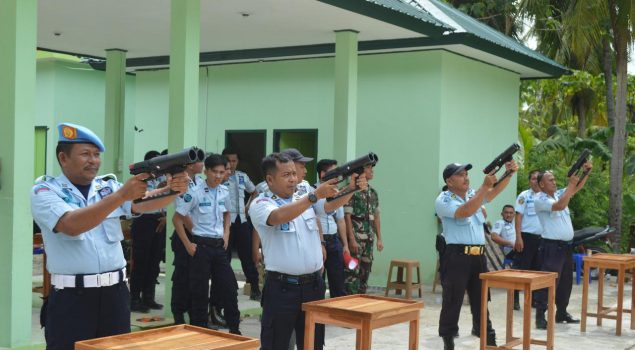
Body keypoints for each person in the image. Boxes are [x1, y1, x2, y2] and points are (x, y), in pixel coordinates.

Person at [30, 123, 189, 350]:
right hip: (72, 298)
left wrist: (173, 190)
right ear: (63, 158)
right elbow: (71, 224)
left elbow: (143, 205)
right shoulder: (45, 191)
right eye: (85, 154)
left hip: (115, 295)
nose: (93, 160)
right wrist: (121, 194)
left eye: (96, 155)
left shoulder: (107, 186)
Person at [249, 153, 366, 350]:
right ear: (270, 179)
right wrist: (313, 196)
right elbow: (278, 217)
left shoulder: (303, 197)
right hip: (282, 289)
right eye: (286, 174)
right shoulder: (260, 203)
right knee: (276, 344)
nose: (293, 179)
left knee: (313, 344)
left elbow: (328, 206)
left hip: (313, 287)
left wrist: (352, 188)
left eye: (294, 173)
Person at [435, 161, 518, 350]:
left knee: (481, 299)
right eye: (460, 174)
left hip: (478, 256)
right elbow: (465, 211)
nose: (466, 177)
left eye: (466, 173)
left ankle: (488, 337)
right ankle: (448, 340)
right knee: (452, 300)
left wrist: (509, 173)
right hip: (457, 256)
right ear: (449, 180)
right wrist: (484, 187)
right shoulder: (443, 200)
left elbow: (493, 192)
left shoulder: (473, 193)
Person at [173, 154, 241, 334]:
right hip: (200, 248)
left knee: (229, 288)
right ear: (206, 172)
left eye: (221, 172)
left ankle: (235, 330)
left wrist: (226, 233)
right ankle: (199, 331)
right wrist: (188, 245)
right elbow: (177, 219)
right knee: (199, 292)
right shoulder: (193, 193)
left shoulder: (224, 191)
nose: (218, 176)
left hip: (219, 248)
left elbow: (227, 213)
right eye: (215, 172)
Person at [533, 164, 592, 329]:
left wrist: (585, 172)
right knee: (549, 281)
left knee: (566, 282)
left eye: (554, 179)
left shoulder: (558, 194)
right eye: (550, 180)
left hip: (566, 247)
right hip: (552, 247)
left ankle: (561, 312)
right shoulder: (539, 199)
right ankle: (540, 316)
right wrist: (571, 185)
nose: (554, 182)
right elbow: (560, 206)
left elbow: (576, 188)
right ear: (542, 184)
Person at [129, 150, 168, 313]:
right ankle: (134, 299)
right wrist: (159, 189)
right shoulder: (139, 180)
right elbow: (138, 202)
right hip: (143, 221)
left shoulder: (163, 178)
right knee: (141, 262)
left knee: (154, 262)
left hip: (159, 220)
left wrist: (165, 216)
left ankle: (148, 297)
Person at [221, 148, 260, 300]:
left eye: (234, 161)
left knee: (247, 256)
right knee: (225, 257)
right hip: (226, 223)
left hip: (242, 221)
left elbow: (254, 191)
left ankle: (255, 288)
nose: (232, 163)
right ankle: (226, 288)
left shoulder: (242, 176)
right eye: (229, 160)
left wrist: (248, 206)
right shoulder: (220, 178)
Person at [170, 156, 204, 324]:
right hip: (185, 234)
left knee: (195, 277)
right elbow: (182, 213)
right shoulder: (181, 181)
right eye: (200, 161)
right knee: (182, 277)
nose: (203, 164)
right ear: (190, 165)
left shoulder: (201, 182)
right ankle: (178, 315)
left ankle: (193, 315)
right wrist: (197, 232)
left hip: (199, 234)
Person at [344, 162, 381, 295]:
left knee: (366, 270)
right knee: (352, 272)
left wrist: (379, 239)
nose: (372, 171)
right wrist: (351, 239)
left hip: (369, 238)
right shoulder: (351, 192)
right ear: (361, 171)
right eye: (369, 168)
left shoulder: (373, 193)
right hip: (356, 238)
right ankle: (350, 302)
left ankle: (361, 299)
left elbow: (376, 217)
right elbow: (347, 217)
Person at [316, 159, 349, 298]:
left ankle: (337, 318)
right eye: (333, 173)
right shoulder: (312, 192)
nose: (337, 177)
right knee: (318, 285)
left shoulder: (336, 192)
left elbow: (341, 220)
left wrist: (345, 245)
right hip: (318, 242)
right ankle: (318, 319)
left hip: (334, 241)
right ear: (323, 174)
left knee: (338, 282)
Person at [513, 170, 543, 304]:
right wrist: (518, 237)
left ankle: (534, 300)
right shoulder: (524, 196)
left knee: (538, 270)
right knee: (521, 269)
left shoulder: (546, 196)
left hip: (542, 239)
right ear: (529, 181)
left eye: (538, 179)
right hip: (526, 238)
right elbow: (518, 216)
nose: (535, 181)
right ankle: (514, 299)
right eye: (532, 179)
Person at [490, 204, 520, 310]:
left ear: (514, 214)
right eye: (506, 212)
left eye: (511, 213)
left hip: (520, 249)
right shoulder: (500, 223)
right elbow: (494, 236)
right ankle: (515, 301)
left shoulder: (516, 224)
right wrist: (511, 243)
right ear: (502, 214)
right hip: (510, 251)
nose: (508, 215)